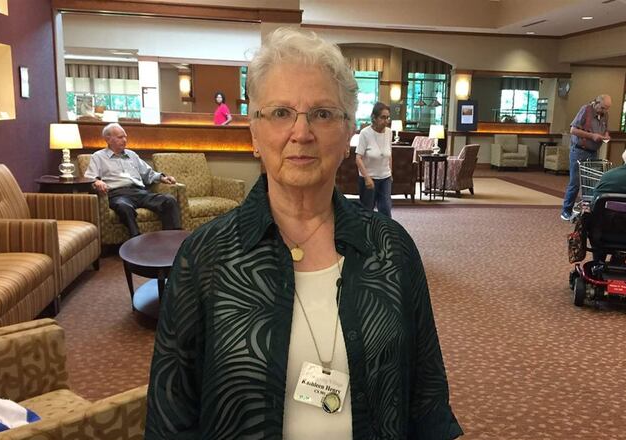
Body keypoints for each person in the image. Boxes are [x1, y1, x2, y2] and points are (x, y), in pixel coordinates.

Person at [146, 28, 462, 440]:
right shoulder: (205, 257)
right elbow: (171, 415)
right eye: (281, 113)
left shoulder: (392, 248)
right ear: (254, 134)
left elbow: (427, 399)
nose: (301, 133)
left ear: (348, 134)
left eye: (323, 114)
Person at [84, 123, 180, 238]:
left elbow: (148, 173)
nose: (124, 140)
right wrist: (97, 181)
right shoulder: (98, 156)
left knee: (169, 200)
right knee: (124, 207)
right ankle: (136, 240)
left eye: (125, 137)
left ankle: (173, 238)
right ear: (108, 139)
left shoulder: (131, 155)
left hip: (140, 192)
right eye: (120, 137)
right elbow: (89, 178)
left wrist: (162, 178)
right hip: (118, 194)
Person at [561, 94, 612, 221]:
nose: (604, 111)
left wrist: (606, 136)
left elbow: (605, 129)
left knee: (591, 183)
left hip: (593, 152)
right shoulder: (586, 110)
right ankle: (566, 211)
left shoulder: (605, 115)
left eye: (607, 109)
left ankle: (588, 212)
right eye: (602, 108)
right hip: (579, 151)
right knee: (575, 183)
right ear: (596, 102)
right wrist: (592, 136)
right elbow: (573, 130)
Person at [355, 101, 393, 218]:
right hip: (369, 178)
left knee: (386, 209)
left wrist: (390, 172)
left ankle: (386, 229)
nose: (386, 121)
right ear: (374, 118)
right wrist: (367, 178)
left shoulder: (389, 132)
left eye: (387, 118)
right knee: (367, 212)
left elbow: (389, 154)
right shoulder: (365, 133)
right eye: (383, 117)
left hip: (385, 177)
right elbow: (358, 158)